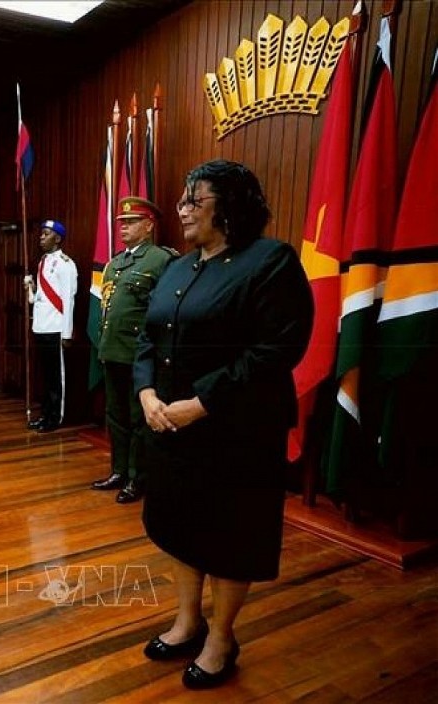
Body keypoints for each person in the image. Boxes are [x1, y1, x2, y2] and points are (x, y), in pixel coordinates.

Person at [134, 159, 314, 689]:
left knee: (230, 535)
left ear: (230, 207)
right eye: (184, 200)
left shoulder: (270, 261)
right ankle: (188, 621)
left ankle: (221, 637)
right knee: (179, 526)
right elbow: (149, 337)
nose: (183, 210)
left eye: (195, 201)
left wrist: (200, 403)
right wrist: (146, 392)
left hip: (237, 432)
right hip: (171, 426)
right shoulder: (179, 266)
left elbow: (276, 350)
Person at [91, 196, 176, 504]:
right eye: (121, 223)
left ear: (149, 225)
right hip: (112, 349)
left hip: (139, 356)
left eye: (131, 222)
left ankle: (136, 476)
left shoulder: (161, 260)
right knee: (115, 415)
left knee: (140, 418)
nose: (123, 228)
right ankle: (118, 469)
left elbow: (163, 310)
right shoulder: (116, 262)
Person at [24, 219, 78, 433]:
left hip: (56, 328)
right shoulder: (43, 261)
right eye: (42, 233)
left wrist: (67, 333)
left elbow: (68, 300)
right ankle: (45, 414)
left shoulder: (66, 264)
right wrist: (30, 288)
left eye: (46, 234)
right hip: (42, 326)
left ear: (57, 238)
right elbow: (38, 299)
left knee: (57, 378)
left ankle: (56, 417)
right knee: (46, 376)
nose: (41, 237)